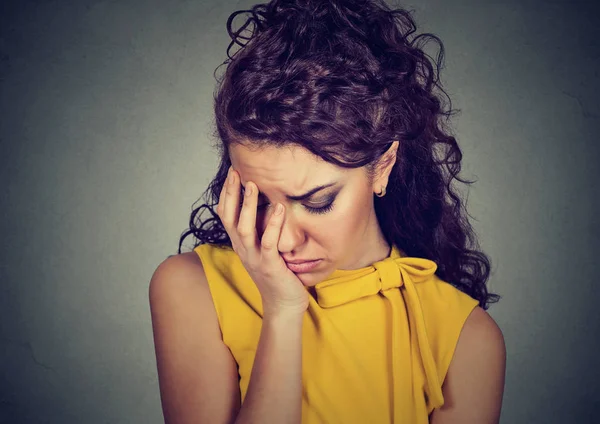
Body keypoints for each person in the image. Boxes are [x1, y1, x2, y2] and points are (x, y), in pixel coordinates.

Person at [149, 0, 506, 423]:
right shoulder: (192, 288)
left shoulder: (464, 338)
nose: (281, 240)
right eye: (258, 200)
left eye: (317, 202)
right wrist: (282, 312)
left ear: (383, 167)